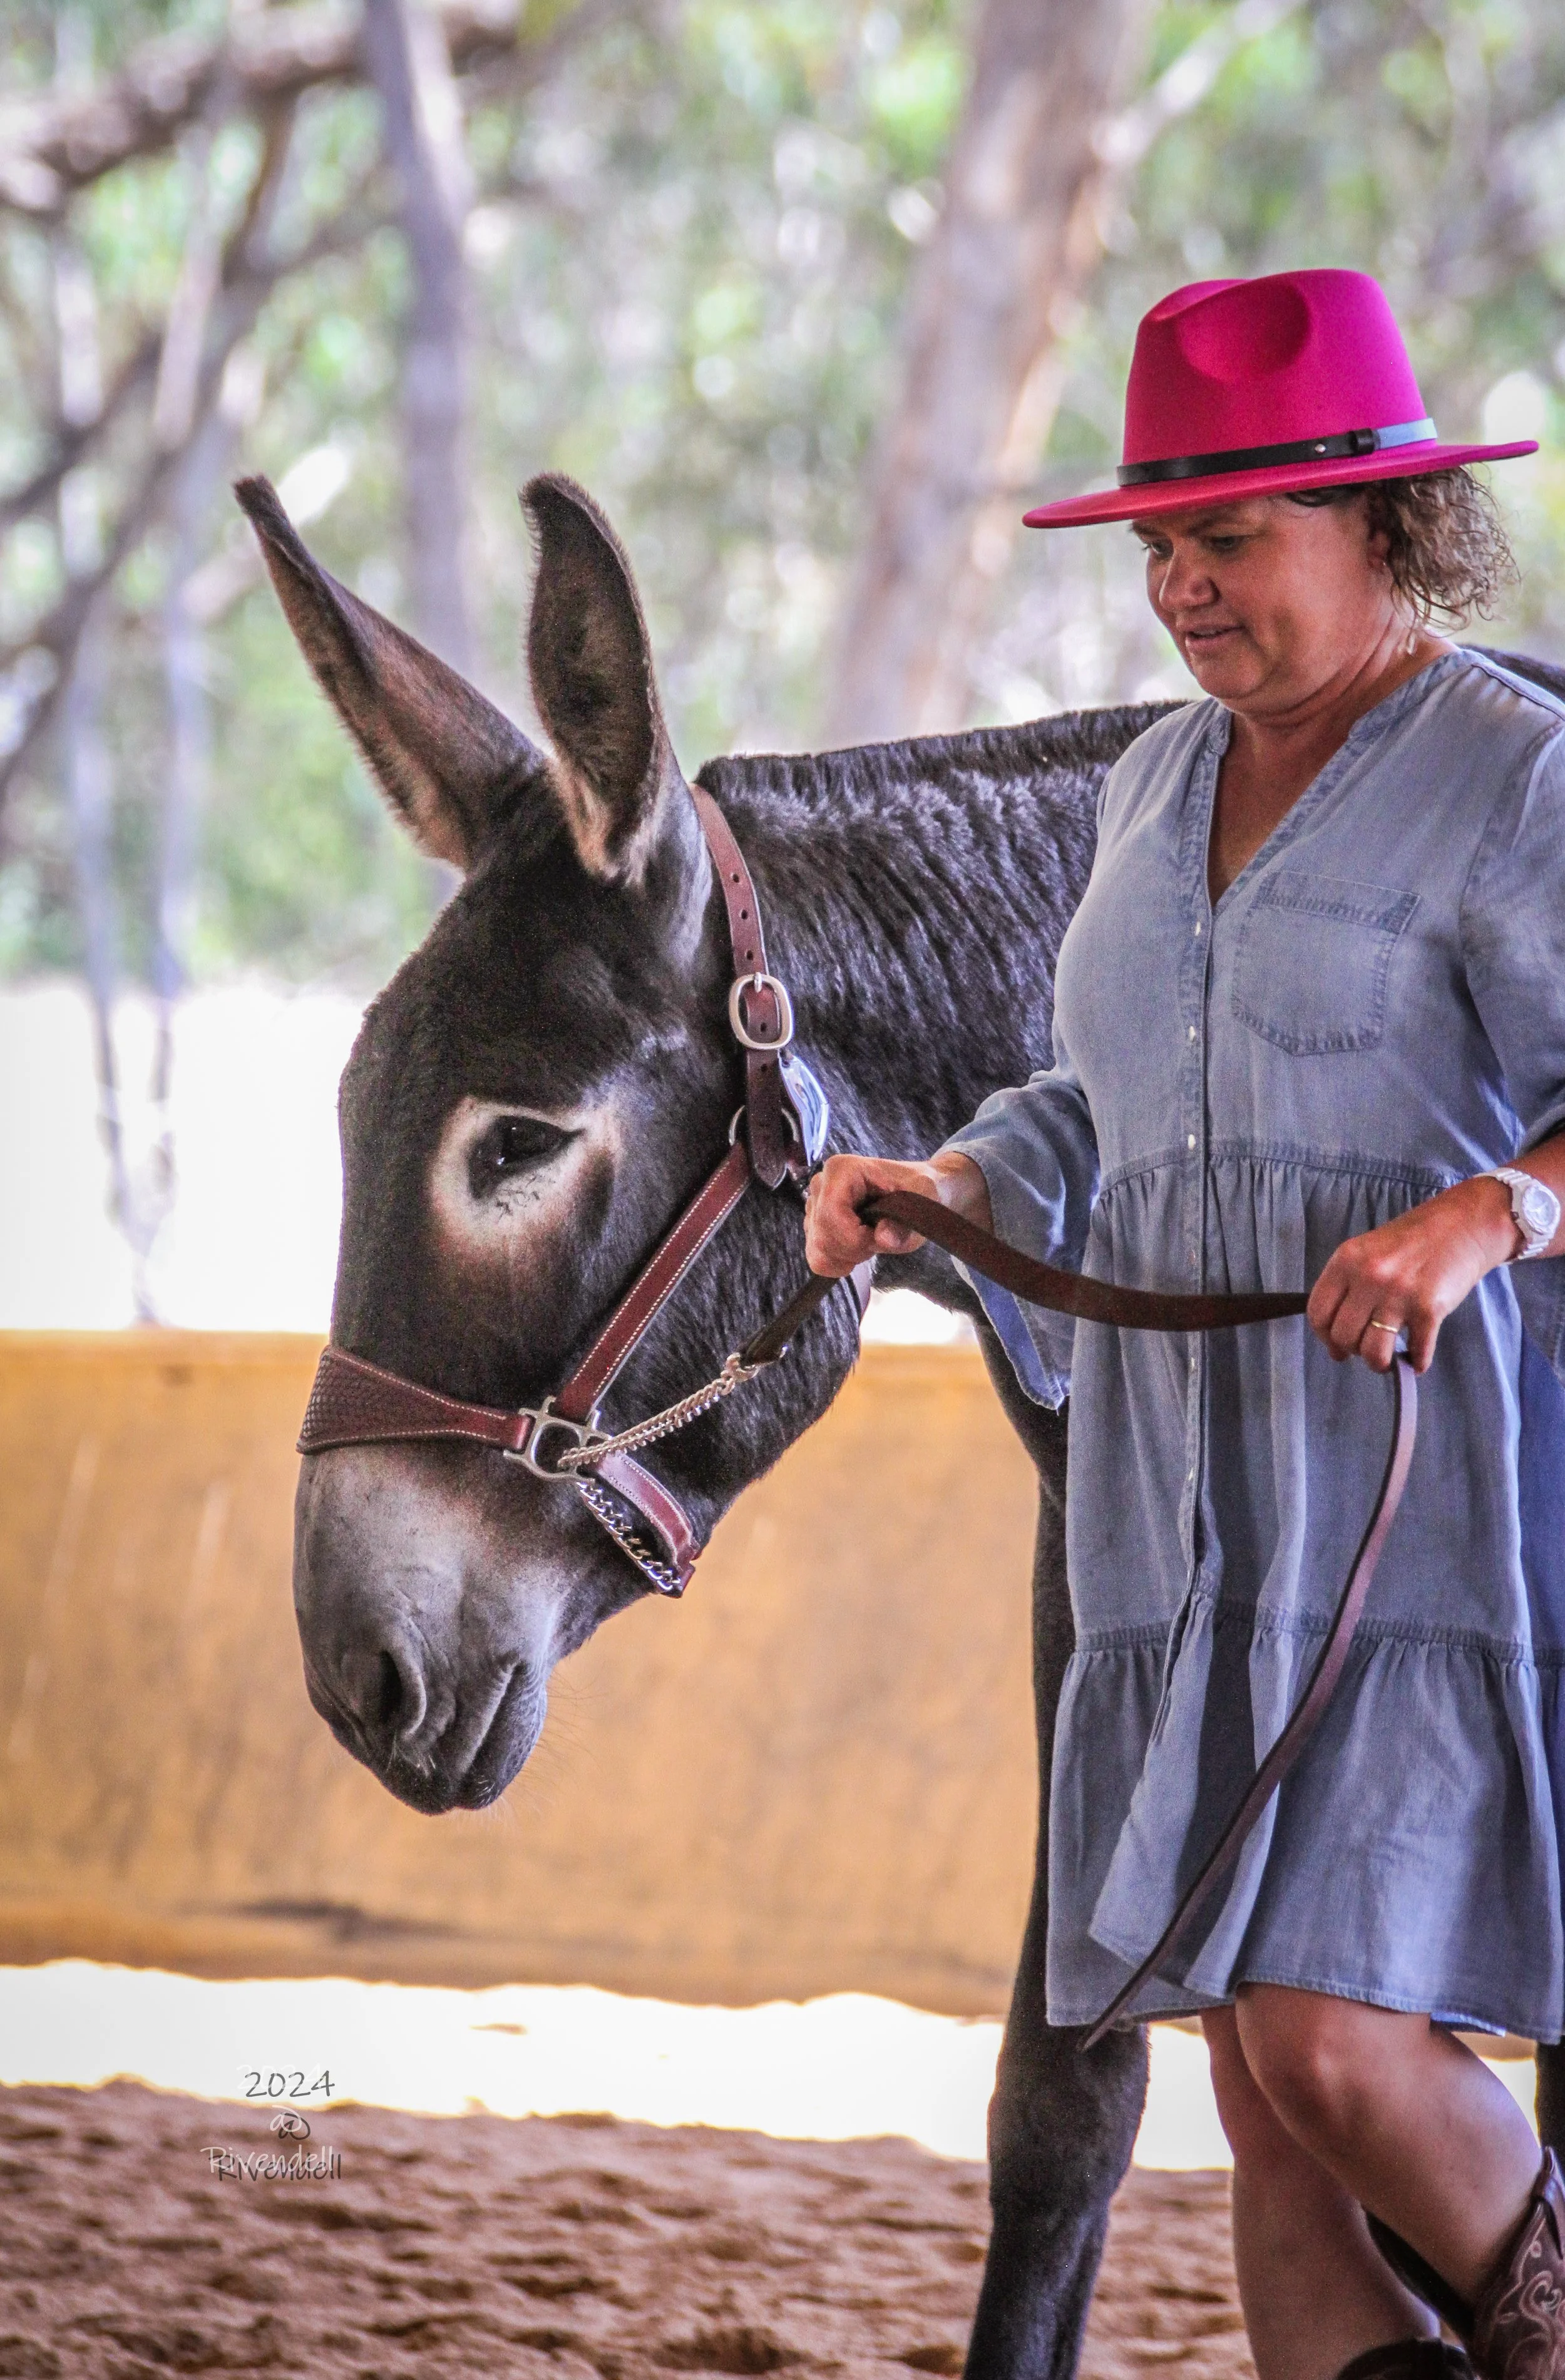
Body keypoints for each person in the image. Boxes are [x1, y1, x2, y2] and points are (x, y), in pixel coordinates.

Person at [804, 269, 1565, 2380]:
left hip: (1410, 1492)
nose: (1177, 586)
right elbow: (1099, 1106)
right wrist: (948, 1186)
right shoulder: (1151, 790)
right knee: (1256, 2101)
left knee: (1328, 2044)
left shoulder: (1511, 775)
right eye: (1158, 544)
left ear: (1386, 525)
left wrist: (1488, 1215)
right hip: (1171, 1513)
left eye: (1226, 540)